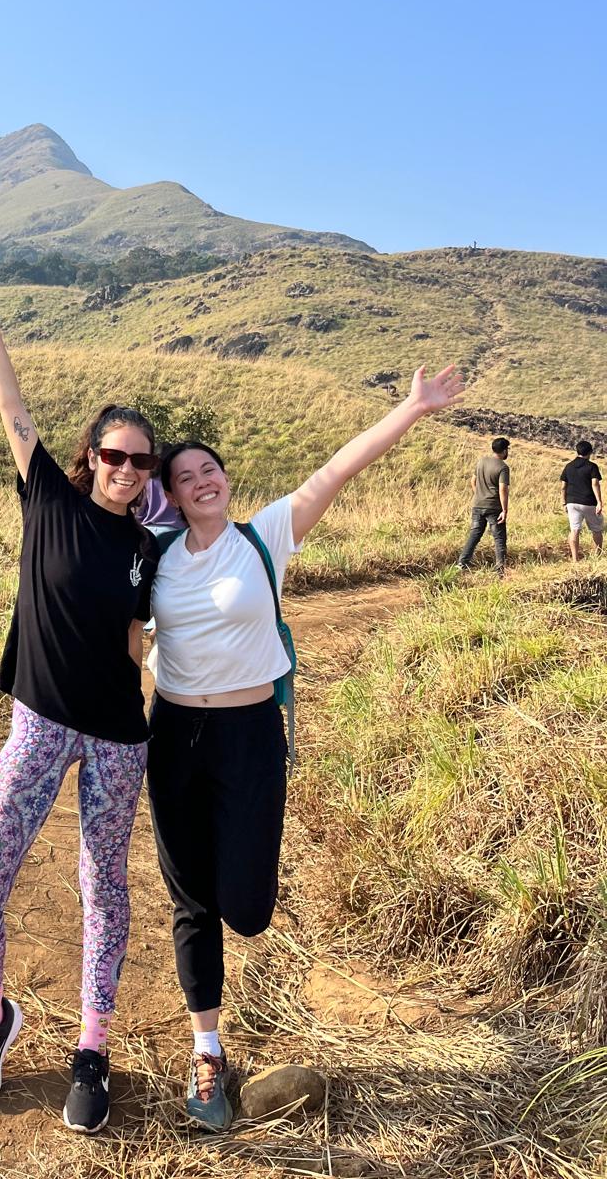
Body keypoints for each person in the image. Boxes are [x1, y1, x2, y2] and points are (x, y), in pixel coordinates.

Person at [145, 363, 465, 1130]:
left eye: (210, 469)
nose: (202, 482)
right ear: (172, 495)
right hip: (174, 734)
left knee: (247, 910)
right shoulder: (153, 552)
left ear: (226, 478)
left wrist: (413, 409)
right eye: (186, 477)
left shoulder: (265, 536)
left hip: (251, 735)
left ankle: (235, 911)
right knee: (192, 903)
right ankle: (207, 1051)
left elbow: (339, 469)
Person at [0, 261, 158, 1134]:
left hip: (117, 737)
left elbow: (137, 644)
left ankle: (92, 1048)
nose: (126, 469)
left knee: (103, 889)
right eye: (114, 455)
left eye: (140, 461)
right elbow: (11, 406)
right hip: (39, 723)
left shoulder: (147, 548)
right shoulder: (47, 497)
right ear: (90, 456)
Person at [456, 436, 510, 576]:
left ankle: (462, 564)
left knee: (474, 535)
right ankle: (500, 571)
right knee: (499, 538)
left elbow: (472, 481)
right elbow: (503, 489)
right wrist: (504, 510)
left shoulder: (481, 462)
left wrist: (479, 494)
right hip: (494, 507)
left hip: (478, 505)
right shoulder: (503, 467)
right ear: (504, 450)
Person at [560, 441, 604, 562]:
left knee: (574, 530)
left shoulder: (568, 466)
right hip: (589, 502)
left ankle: (575, 559)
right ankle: (597, 556)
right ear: (590, 452)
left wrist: (564, 502)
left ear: (577, 451)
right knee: (596, 529)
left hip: (572, 502)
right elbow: (595, 484)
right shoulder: (592, 466)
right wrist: (599, 502)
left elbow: (563, 487)